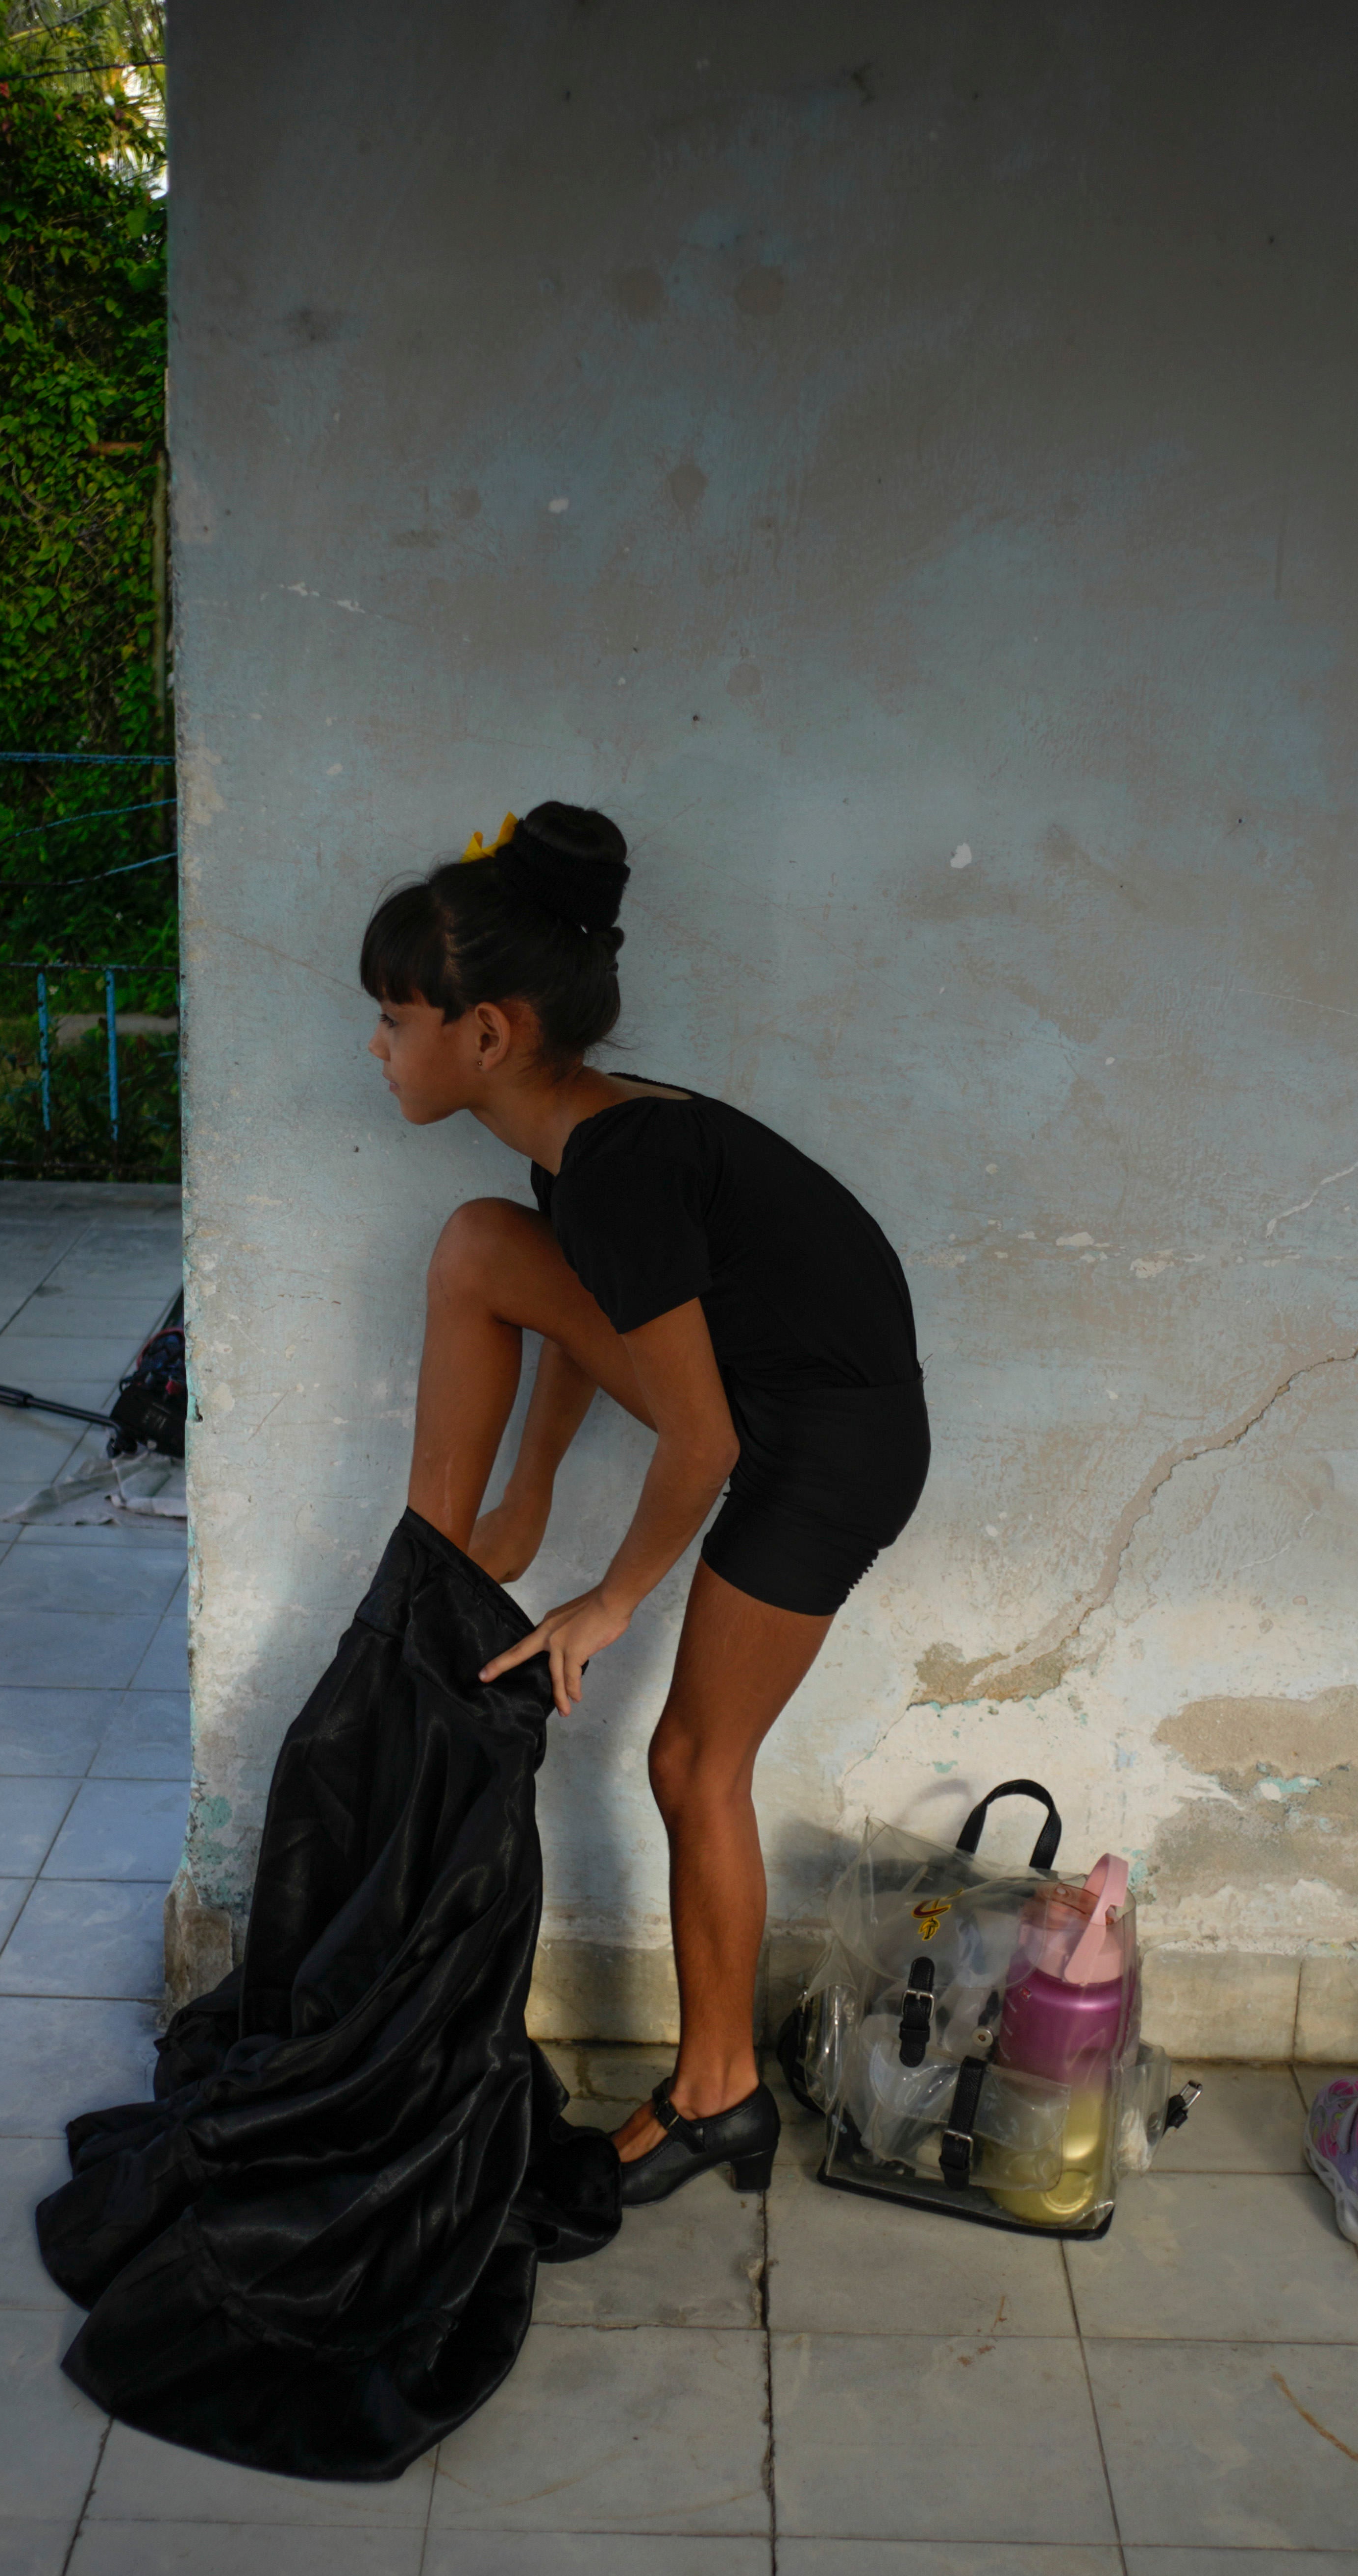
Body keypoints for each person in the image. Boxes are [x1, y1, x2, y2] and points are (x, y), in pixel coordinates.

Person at [362, 804, 930, 2204]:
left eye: (395, 1014)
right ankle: (436, 1575)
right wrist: (532, 1496)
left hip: (829, 1445)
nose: (378, 1044)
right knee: (485, 1246)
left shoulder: (618, 1160)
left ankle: (717, 2096)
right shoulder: (579, 1148)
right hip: (779, 1411)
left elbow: (702, 1432)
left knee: (692, 1763)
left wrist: (610, 1594)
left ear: (485, 1034)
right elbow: (591, 1320)